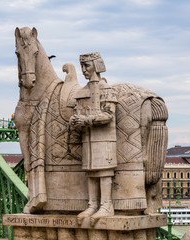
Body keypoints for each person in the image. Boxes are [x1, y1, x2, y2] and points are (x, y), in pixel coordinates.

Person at [69, 52, 117, 226]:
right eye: (81, 66)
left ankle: (106, 205)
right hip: (88, 138)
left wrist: (86, 120)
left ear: (96, 66)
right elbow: (77, 112)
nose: (83, 70)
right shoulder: (83, 92)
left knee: (104, 172)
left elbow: (109, 115)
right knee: (90, 171)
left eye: (86, 66)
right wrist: (74, 119)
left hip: (104, 139)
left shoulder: (107, 90)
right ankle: (92, 204)